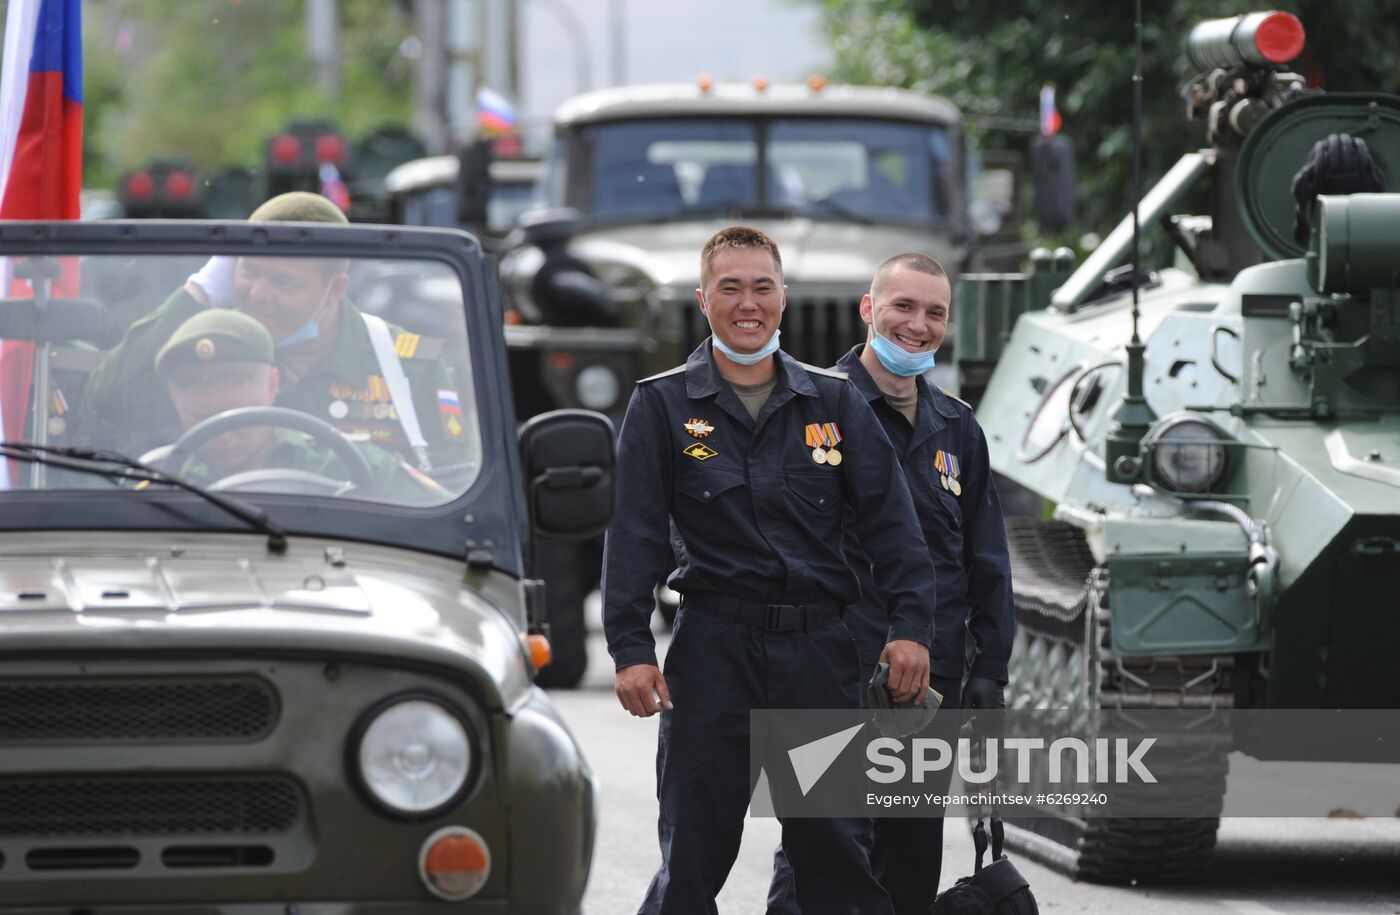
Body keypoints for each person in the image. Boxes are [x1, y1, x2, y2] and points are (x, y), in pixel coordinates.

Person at [602, 226, 940, 914]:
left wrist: (911, 628)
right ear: (704, 299)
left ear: (784, 299)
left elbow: (893, 525)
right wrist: (631, 649)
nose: (747, 303)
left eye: (762, 287)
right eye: (731, 287)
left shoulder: (834, 402)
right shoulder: (662, 404)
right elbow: (634, 535)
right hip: (712, 654)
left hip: (817, 655)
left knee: (835, 855)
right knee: (693, 853)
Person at [769, 252, 1014, 913]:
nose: (918, 324)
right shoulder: (808, 406)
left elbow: (985, 556)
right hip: (832, 668)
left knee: (909, 856)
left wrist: (991, 664)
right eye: (903, 306)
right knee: (822, 851)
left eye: (935, 312)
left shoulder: (957, 427)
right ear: (868, 309)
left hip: (927, 682)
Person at [75, 192, 464, 469]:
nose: (258, 295)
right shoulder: (202, 339)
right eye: (249, 272)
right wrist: (201, 292)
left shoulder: (403, 364)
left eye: (285, 283)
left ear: (335, 290)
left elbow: (451, 487)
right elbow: (110, 398)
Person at [152, 308, 445, 503]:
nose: (225, 437)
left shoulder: (353, 467)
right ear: (173, 397)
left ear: (272, 387)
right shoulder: (154, 485)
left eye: (241, 419)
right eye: (203, 419)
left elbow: (450, 524)